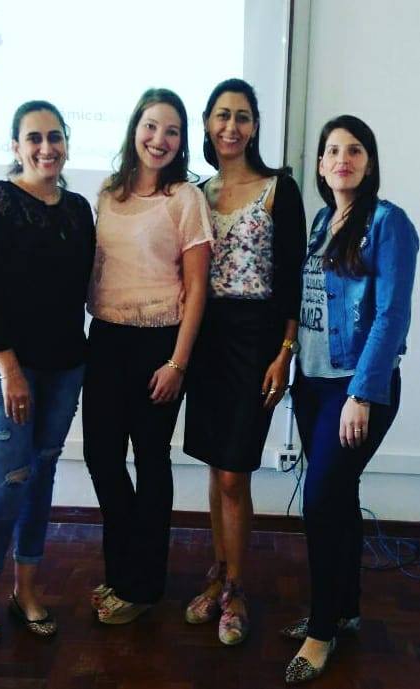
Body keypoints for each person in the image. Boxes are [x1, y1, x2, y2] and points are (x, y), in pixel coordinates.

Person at [281, 115, 418, 683]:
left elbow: (391, 315)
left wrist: (362, 392)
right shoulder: (320, 221)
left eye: (355, 149)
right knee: (336, 496)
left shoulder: (389, 223)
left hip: (357, 387)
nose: (343, 159)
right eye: (333, 150)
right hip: (313, 383)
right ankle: (347, 608)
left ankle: (321, 629)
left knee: (320, 501)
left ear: (370, 161)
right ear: (319, 164)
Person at [0, 100, 95, 646]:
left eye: (55, 137)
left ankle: (27, 587)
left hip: (65, 366)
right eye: (34, 138)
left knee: (40, 476)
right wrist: (11, 369)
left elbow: (87, 287)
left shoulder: (80, 207)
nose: (46, 147)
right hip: (0, 367)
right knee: (10, 481)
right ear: (15, 146)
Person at [182, 78, 306, 645]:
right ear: (207, 124)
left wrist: (285, 351)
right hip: (206, 337)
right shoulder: (196, 194)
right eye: (222, 116)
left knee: (236, 470)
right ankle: (217, 575)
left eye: (243, 117)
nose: (231, 127)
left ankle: (238, 589)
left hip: (256, 340)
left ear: (255, 126)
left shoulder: (280, 188)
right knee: (215, 466)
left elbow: (292, 279)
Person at [83, 88, 213, 624]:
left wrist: (178, 363)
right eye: (151, 126)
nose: (159, 140)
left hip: (160, 345)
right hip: (106, 339)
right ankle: (121, 572)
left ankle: (142, 587)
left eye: (172, 131)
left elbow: (198, 288)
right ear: (134, 128)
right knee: (101, 458)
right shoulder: (107, 194)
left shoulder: (185, 198)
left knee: (151, 461)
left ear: (182, 142)